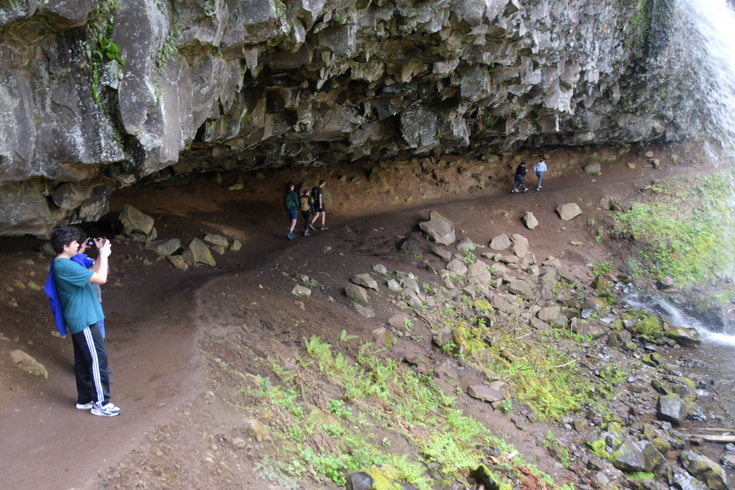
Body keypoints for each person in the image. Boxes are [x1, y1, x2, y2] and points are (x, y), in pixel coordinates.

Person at [50, 225, 120, 417]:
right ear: (66, 246)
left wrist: (100, 253)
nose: (79, 246)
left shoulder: (68, 262)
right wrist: (104, 255)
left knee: (83, 360)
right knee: (98, 359)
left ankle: (85, 399)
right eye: (75, 243)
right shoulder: (63, 265)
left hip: (84, 315)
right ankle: (101, 403)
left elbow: (94, 271)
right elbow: (101, 278)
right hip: (83, 317)